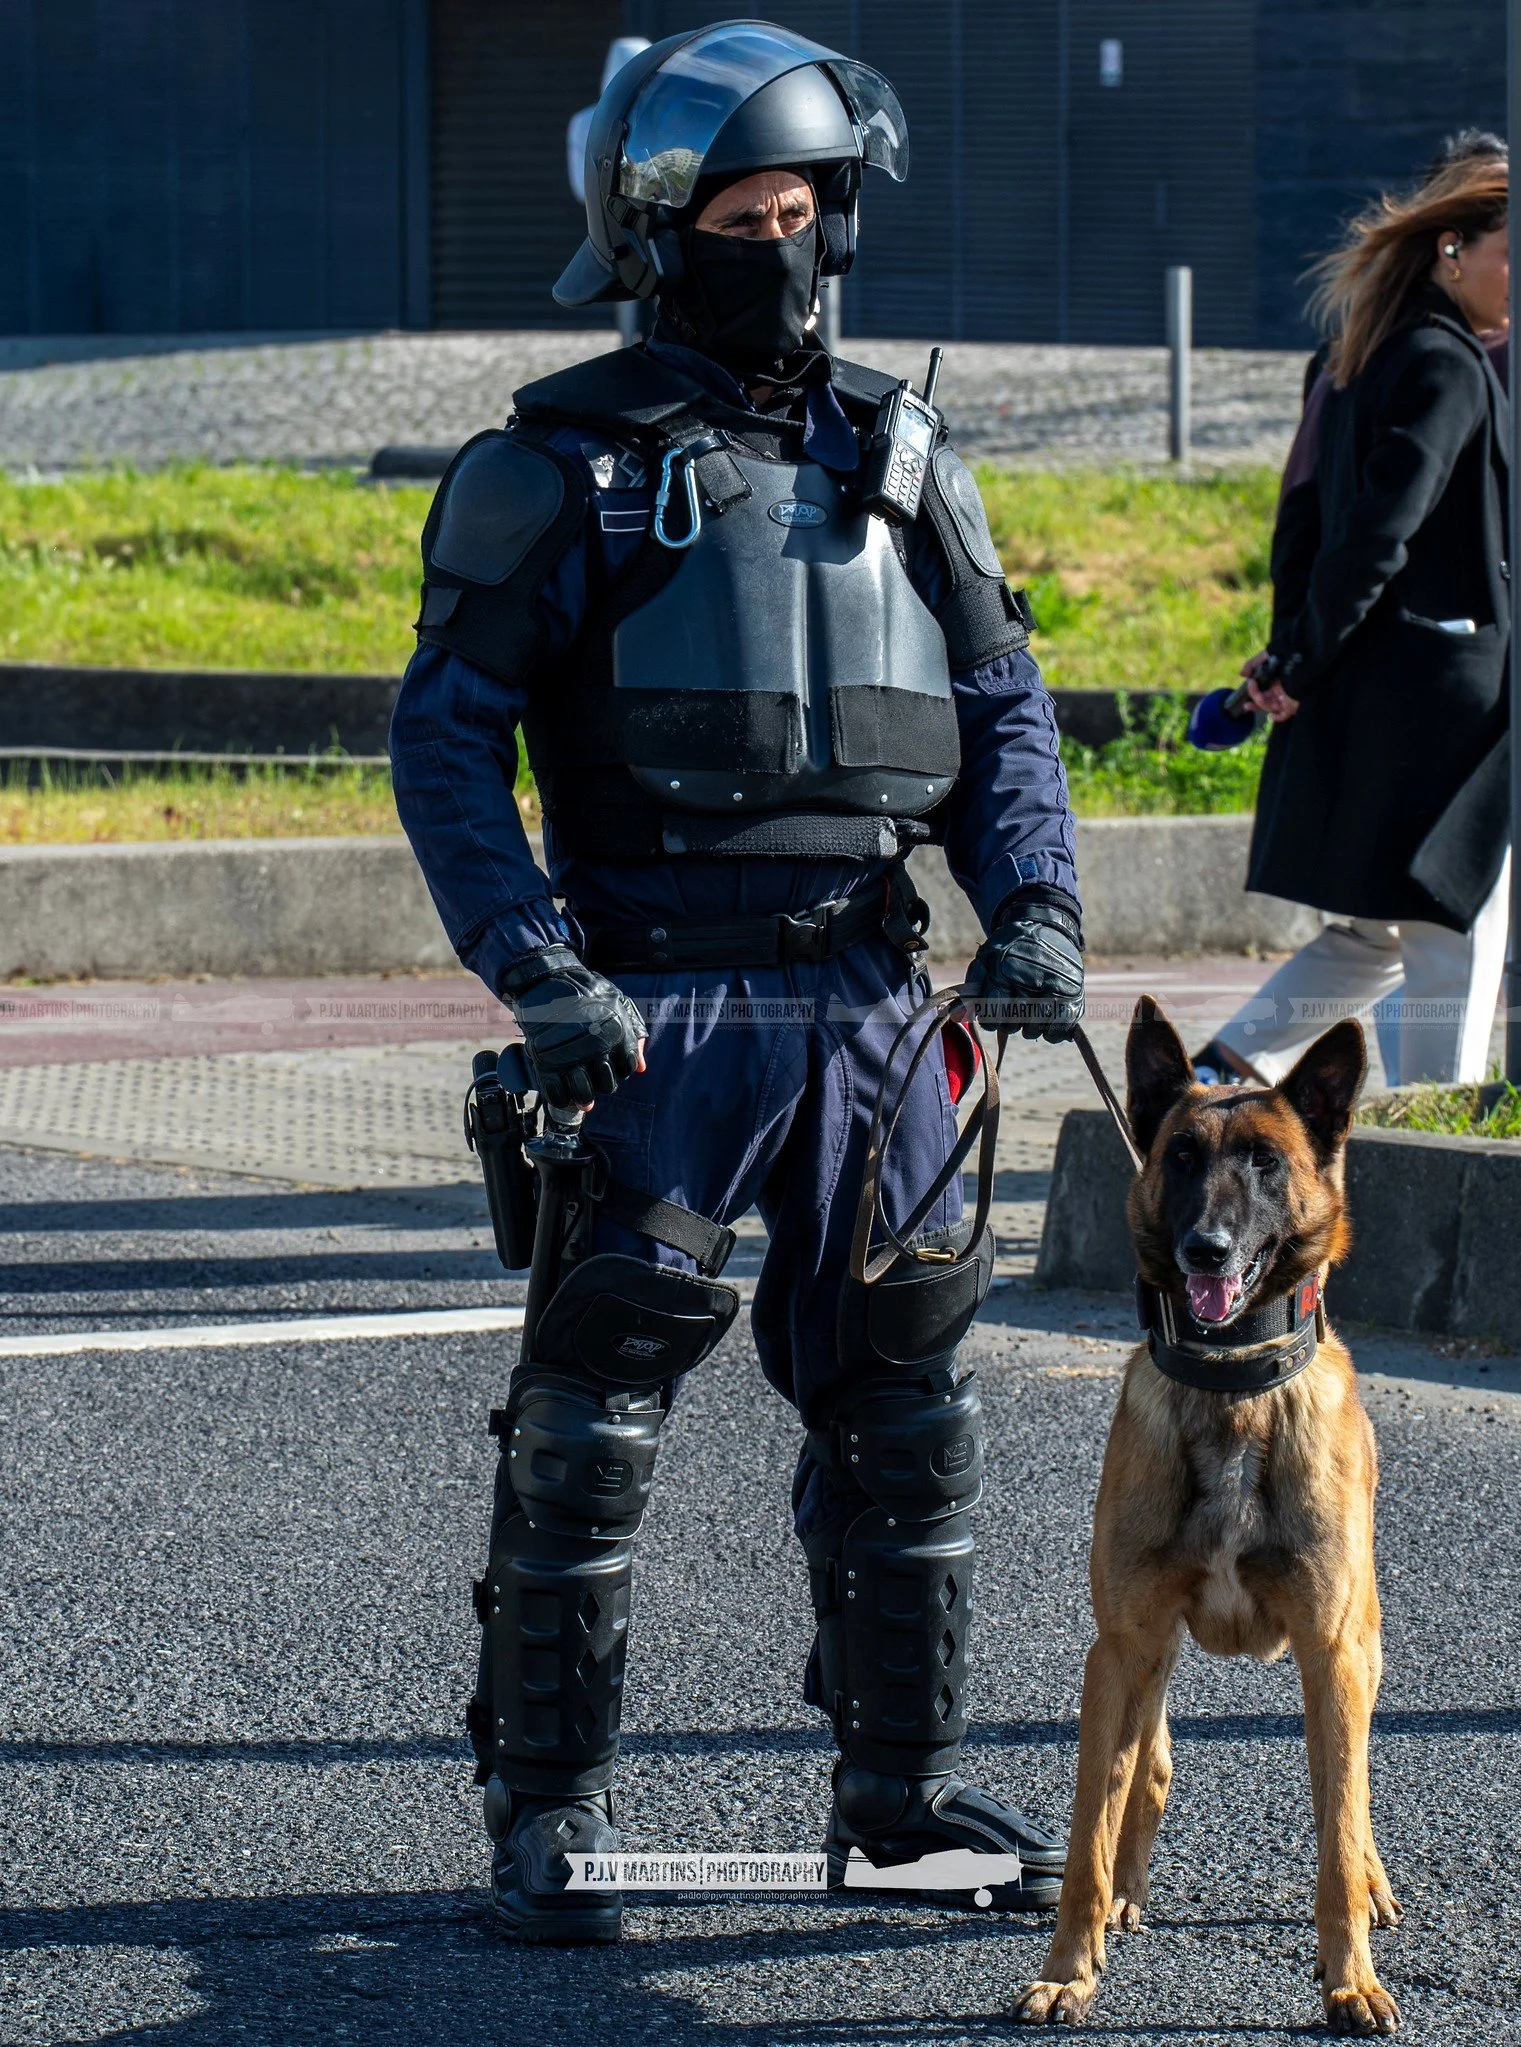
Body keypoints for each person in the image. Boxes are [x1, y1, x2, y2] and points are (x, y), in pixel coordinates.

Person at [388, 23, 1085, 1944]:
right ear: (649, 229)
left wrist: (1034, 906)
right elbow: (445, 741)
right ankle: (551, 1817)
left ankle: (891, 1803)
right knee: (592, 1410)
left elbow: (1000, 709)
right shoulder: (553, 467)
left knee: (907, 1414)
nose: (780, 247)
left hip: (875, 998)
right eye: (740, 215)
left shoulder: (903, 452)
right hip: (655, 1005)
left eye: (803, 212)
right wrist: (532, 964)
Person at [1193, 147, 1512, 1087]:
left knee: (1382, 927)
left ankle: (1224, 1072)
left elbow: (1307, 524)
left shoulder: (1365, 356)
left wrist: (1296, 654)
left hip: (1388, 687)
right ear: (1451, 250)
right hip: (1444, 699)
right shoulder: (1441, 362)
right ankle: (1430, 1118)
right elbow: (1379, 531)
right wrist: (1300, 657)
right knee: (1456, 919)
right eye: (1513, 252)